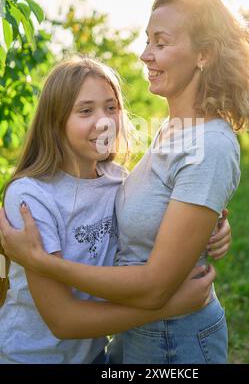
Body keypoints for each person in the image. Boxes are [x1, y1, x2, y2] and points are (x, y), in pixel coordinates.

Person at [0, 56, 231, 364]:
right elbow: (63, 321)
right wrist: (168, 306)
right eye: (85, 111)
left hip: (96, 354)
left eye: (111, 108)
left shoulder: (118, 181)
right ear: (55, 121)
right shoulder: (31, 196)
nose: (104, 121)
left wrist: (214, 229)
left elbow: (159, 227)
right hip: (30, 358)